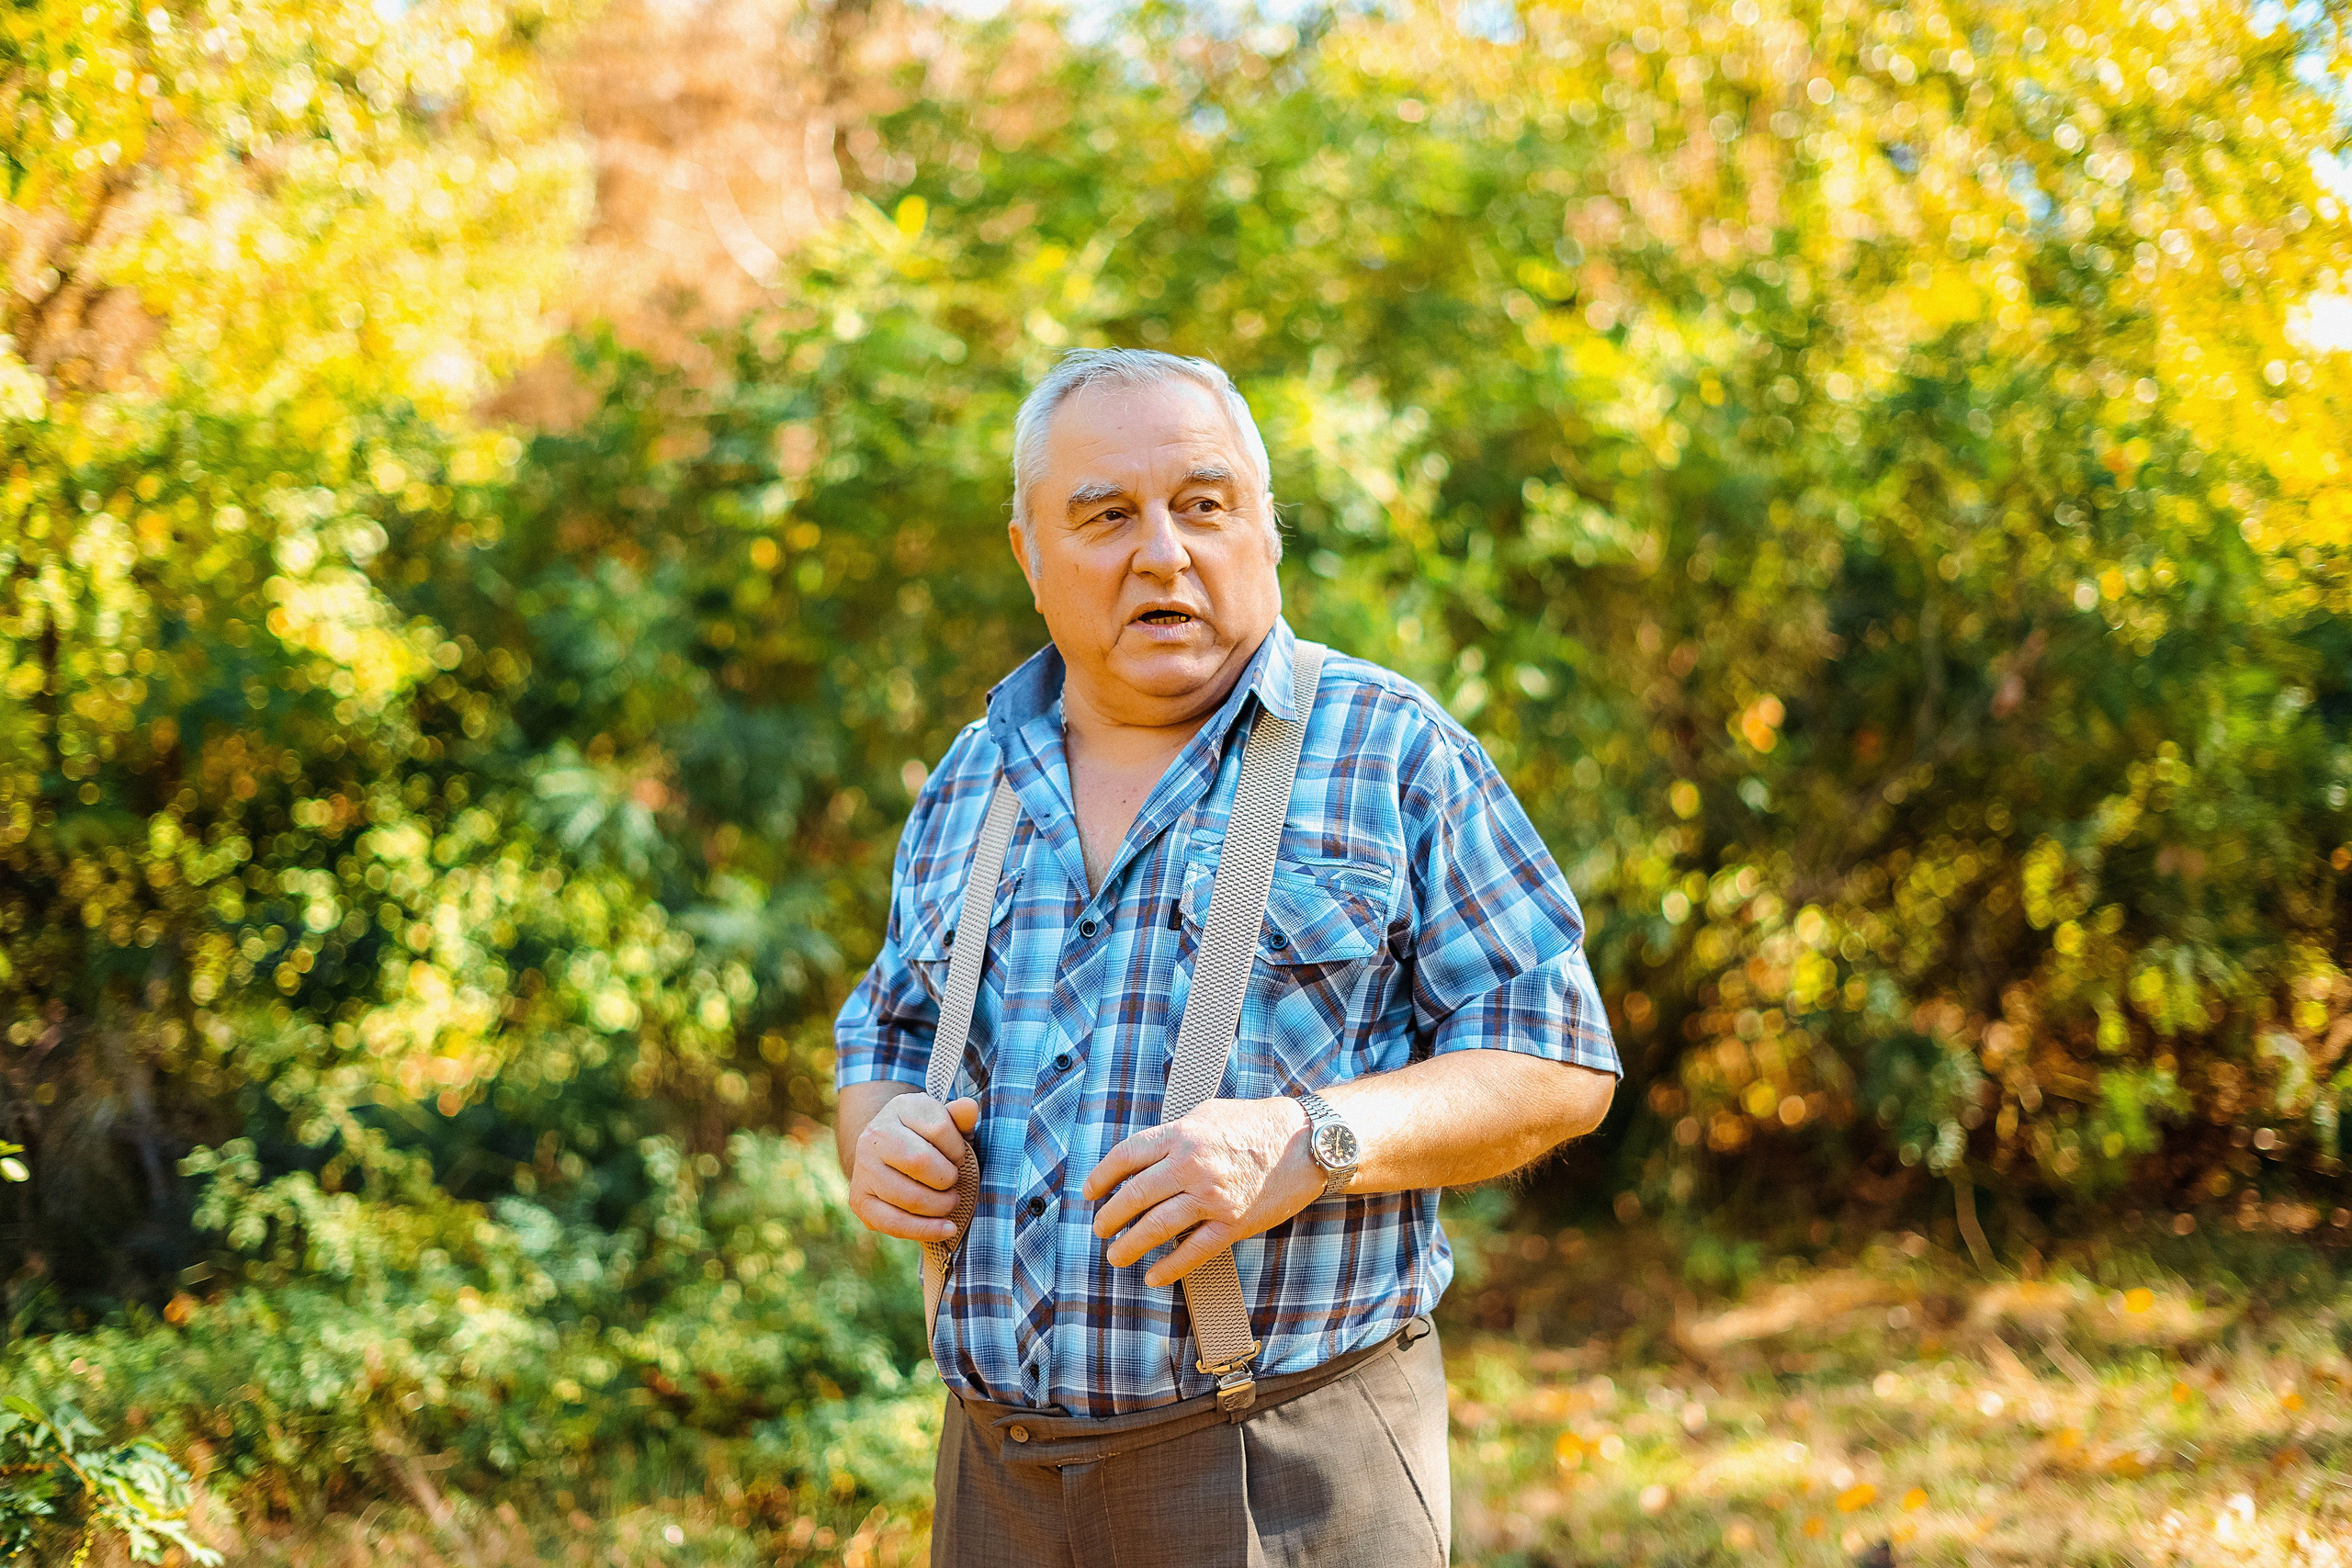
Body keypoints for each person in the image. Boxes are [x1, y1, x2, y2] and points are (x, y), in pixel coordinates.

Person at [834, 346, 1620, 1567]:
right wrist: (878, 1132)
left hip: (1286, 1476)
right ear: (1029, 556)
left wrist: (1311, 1143)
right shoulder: (968, 778)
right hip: (993, 1483)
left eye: (1204, 506)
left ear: (1266, 531)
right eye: (1104, 517)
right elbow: (881, 1038)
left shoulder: (1392, 751)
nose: (1162, 552)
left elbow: (1556, 1060)